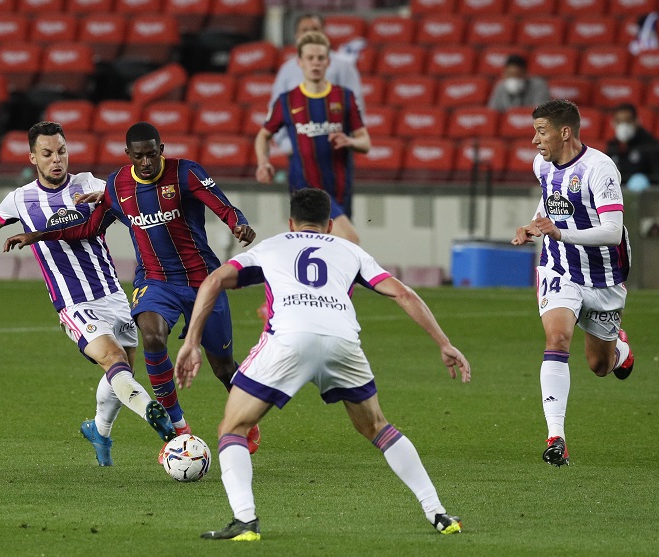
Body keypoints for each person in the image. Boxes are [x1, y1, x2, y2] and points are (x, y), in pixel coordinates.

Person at [175, 188, 471, 541]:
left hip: (289, 341)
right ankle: (438, 512)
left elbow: (213, 281)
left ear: (290, 222)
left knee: (233, 429)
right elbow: (403, 293)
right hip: (342, 341)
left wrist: (192, 342)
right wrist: (444, 343)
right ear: (330, 225)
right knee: (377, 427)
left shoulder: (272, 245)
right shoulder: (350, 250)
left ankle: (246, 520)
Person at [3, 121, 261, 461]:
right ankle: (178, 428)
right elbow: (89, 226)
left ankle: (249, 422)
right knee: (152, 337)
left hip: (203, 280)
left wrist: (237, 223)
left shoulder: (186, 173)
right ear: (129, 156)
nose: (147, 163)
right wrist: (35, 235)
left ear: (161, 150)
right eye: (139, 157)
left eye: (152, 155)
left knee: (223, 366)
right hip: (154, 281)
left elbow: (223, 206)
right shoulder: (119, 184)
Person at [0, 121, 175, 467]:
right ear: (32, 158)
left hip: (113, 294)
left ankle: (99, 430)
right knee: (114, 361)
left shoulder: (89, 183)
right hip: (74, 303)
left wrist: (112, 197)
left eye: (61, 151)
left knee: (122, 375)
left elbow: (128, 195)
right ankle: (158, 420)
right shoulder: (21, 199)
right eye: (47, 154)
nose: (57, 159)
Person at [511, 99, 635, 468]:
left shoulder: (600, 169)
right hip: (559, 268)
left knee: (600, 365)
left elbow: (613, 232)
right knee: (557, 339)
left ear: (565, 132)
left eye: (541, 131)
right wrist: (534, 224)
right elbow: (549, 201)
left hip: (604, 277)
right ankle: (555, 438)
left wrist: (560, 232)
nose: (534, 140)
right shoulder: (542, 164)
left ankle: (621, 352)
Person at [256, 30, 370, 246]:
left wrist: (350, 141)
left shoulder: (344, 97)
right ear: (299, 62)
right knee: (349, 241)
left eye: (320, 58)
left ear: (328, 61)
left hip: (339, 187)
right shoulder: (287, 100)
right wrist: (263, 162)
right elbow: (263, 135)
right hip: (306, 188)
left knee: (325, 248)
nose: (315, 63)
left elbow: (365, 142)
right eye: (310, 58)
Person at [269, 13, 365, 156]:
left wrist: (347, 140)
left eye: (315, 29)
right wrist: (285, 144)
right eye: (305, 30)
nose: (310, 34)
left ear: (324, 34)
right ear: (296, 36)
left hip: (335, 150)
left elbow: (356, 106)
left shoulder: (342, 67)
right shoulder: (287, 69)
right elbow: (275, 108)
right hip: (296, 150)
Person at [605, 103, 659, 189]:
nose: (623, 125)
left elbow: (655, 177)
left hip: (644, 196)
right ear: (613, 123)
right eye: (619, 121)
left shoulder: (651, 145)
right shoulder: (612, 146)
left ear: (636, 121)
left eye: (628, 121)